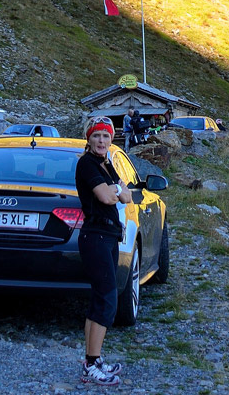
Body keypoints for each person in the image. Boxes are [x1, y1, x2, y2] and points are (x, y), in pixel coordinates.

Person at [75, 118, 133, 385]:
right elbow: (109, 198)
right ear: (88, 139)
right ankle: (90, 364)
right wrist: (114, 190)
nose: (101, 141)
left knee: (99, 299)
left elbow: (127, 196)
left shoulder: (106, 164)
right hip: (95, 236)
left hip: (108, 236)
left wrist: (115, 189)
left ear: (111, 140)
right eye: (96, 136)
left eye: (105, 136)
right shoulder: (87, 164)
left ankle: (93, 360)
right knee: (108, 299)